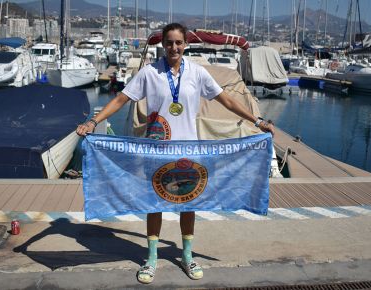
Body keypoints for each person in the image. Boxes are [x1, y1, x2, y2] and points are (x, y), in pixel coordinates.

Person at [76, 23, 275, 284]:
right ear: (163, 45)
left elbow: (226, 100)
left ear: (185, 45)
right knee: (153, 204)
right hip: (156, 151)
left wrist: (257, 121)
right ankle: (151, 258)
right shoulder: (149, 73)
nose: (174, 47)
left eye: (178, 43)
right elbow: (121, 99)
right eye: (169, 43)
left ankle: (187, 255)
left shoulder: (197, 73)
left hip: (188, 150)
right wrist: (93, 121)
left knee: (188, 203)